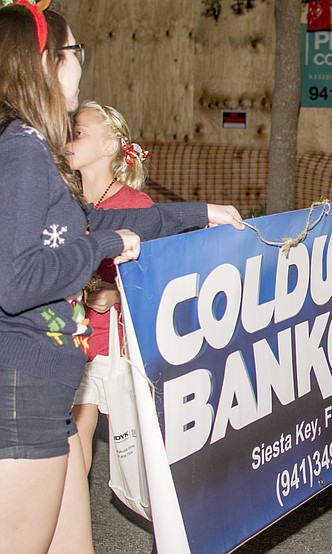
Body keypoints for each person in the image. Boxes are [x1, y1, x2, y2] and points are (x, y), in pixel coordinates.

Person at [0, 4, 243, 552]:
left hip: (49, 392)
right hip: (21, 389)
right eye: (74, 52)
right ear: (48, 62)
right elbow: (14, 281)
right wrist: (105, 248)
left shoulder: (37, 151)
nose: (80, 65)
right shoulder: (19, 152)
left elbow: (104, 219)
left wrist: (199, 213)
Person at [68, 100, 155, 474]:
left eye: (78, 132)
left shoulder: (136, 204)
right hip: (66, 333)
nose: (68, 139)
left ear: (109, 146)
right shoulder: (62, 199)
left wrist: (116, 294)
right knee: (71, 434)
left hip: (110, 342)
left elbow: (154, 278)